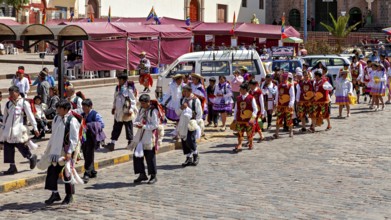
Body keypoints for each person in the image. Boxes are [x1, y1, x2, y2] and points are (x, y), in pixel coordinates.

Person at [41, 100, 81, 205]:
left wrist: (69, 152)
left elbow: (74, 138)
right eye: (57, 108)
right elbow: (54, 134)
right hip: (55, 152)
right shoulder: (56, 118)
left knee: (67, 174)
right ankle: (55, 193)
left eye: (60, 108)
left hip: (65, 151)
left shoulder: (72, 121)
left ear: (66, 109)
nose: (57, 110)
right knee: (51, 172)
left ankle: (69, 195)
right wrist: (49, 148)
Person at [1, 86, 39, 175]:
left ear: (17, 93)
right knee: (8, 148)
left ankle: (31, 157)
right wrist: (3, 128)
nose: (11, 95)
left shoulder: (23, 103)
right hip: (8, 131)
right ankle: (12, 166)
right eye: (10, 93)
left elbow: (30, 115)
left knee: (21, 146)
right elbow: (5, 117)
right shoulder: (8, 104)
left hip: (18, 130)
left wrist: (35, 128)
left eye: (12, 93)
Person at [105, 73, 138, 151]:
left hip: (127, 112)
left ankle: (130, 143)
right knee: (116, 127)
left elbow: (133, 100)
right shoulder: (118, 88)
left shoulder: (129, 88)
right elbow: (115, 98)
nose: (118, 81)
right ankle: (112, 143)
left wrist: (131, 110)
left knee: (129, 128)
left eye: (120, 79)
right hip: (119, 112)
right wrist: (113, 107)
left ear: (123, 80)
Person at [132, 94, 159, 184]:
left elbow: (155, 125)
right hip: (140, 136)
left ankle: (153, 175)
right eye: (141, 103)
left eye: (143, 103)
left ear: (148, 102)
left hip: (149, 136)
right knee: (137, 155)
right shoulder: (141, 110)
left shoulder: (153, 111)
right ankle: (142, 174)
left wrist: (143, 126)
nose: (142, 105)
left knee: (150, 156)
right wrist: (136, 124)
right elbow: (136, 120)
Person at [176, 85, 202, 166]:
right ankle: (188, 157)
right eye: (183, 91)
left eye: (186, 91)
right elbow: (177, 112)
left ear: (190, 91)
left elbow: (199, 113)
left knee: (190, 140)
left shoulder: (195, 101)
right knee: (184, 140)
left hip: (192, 123)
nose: (184, 93)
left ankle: (195, 154)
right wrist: (181, 108)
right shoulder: (182, 100)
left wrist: (196, 124)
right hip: (183, 123)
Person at [81, 99, 105, 183]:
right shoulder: (82, 115)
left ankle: (87, 173)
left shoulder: (95, 114)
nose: (83, 108)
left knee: (89, 154)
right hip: (84, 138)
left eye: (85, 106)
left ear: (90, 106)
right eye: (82, 106)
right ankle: (92, 171)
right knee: (85, 153)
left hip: (92, 137)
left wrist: (90, 125)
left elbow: (101, 124)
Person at [232, 83, 257, 152]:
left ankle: (251, 143)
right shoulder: (238, 98)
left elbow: (255, 109)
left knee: (249, 133)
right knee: (240, 133)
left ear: (245, 90)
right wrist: (234, 118)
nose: (239, 90)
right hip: (240, 119)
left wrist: (252, 119)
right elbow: (236, 109)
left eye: (241, 89)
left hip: (249, 120)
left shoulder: (251, 98)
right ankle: (239, 144)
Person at [273, 73, 295, 138]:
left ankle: (291, 131)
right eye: (281, 77)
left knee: (289, 119)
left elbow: (292, 96)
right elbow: (277, 95)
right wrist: (276, 103)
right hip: (280, 105)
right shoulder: (279, 85)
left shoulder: (290, 86)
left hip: (288, 105)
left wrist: (291, 103)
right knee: (279, 119)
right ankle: (276, 133)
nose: (281, 79)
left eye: (282, 77)